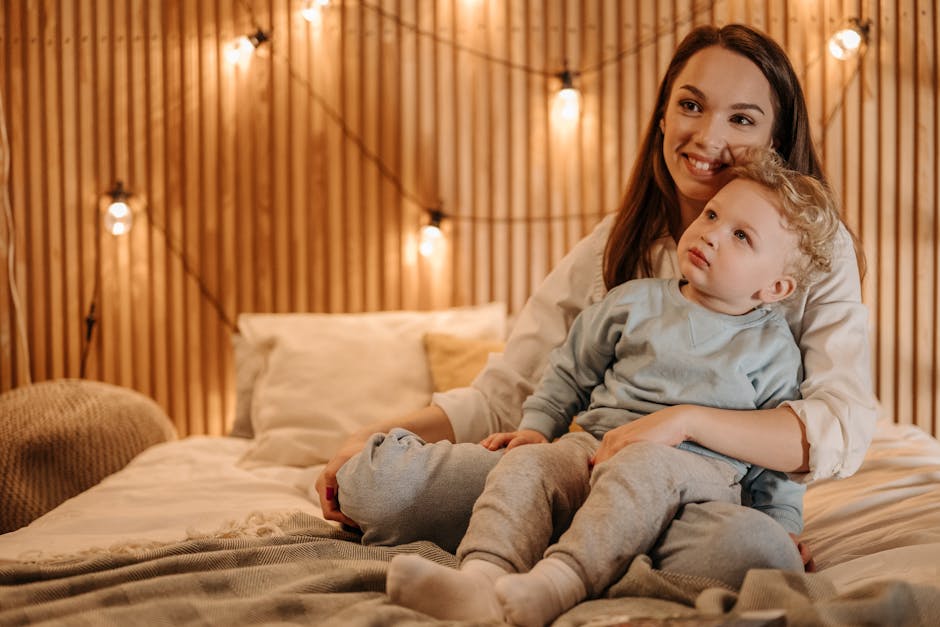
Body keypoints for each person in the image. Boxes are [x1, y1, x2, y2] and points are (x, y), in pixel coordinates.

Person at [315, 23, 876, 586]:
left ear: (775, 143)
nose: (707, 136)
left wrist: (684, 425)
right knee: (379, 481)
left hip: (696, 496)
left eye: (742, 118)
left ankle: (570, 548)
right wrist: (365, 437)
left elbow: (836, 425)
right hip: (579, 466)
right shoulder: (619, 244)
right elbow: (511, 391)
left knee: (754, 552)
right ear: (663, 117)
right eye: (690, 105)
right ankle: (568, 542)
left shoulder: (813, 261)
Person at [384, 152, 839, 625]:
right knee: (528, 464)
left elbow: (775, 465)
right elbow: (568, 371)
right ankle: (482, 578)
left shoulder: (772, 350)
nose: (711, 233)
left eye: (741, 236)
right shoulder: (632, 303)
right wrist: (537, 429)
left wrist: (784, 527)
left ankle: (560, 582)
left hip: (697, 478)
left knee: (733, 529)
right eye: (712, 215)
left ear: (776, 287)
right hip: (597, 446)